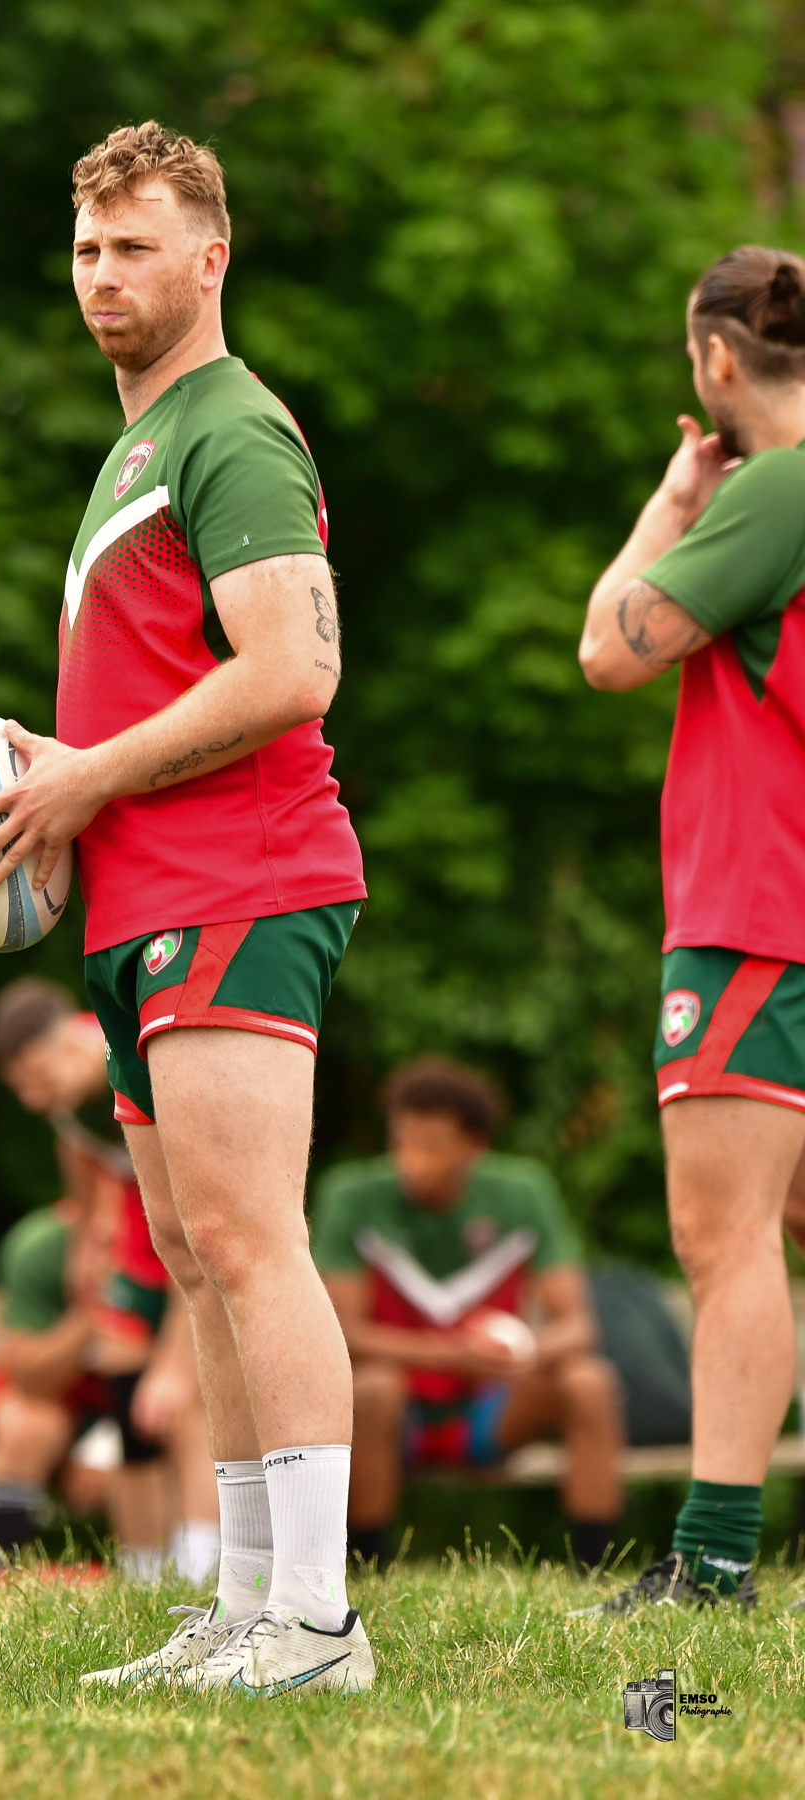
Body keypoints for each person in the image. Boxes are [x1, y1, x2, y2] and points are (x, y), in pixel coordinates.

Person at [0, 121, 372, 1694]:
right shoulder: (140, 441)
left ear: (211, 256)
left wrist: (89, 773)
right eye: (88, 249)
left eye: (135, 246)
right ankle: (249, 1609)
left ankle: (317, 1623)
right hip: (142, 899)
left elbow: (294, 671)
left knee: (255, 1243)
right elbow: (175, 679)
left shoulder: (232, 431)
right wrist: (68, 773)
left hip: (243, 879)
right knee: (194, 1252)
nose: (103, 275)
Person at [578, 244, 805, 1610]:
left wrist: (671, 500)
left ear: (715, 362)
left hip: (756, 908)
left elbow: (610, 647)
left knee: (726, 1242)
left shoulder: (776, 486)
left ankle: (714, 1560)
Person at [312, 1059, 623, 1570]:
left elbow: (578, 1327)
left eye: (431, 1147)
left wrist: (518, 1350)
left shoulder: (523, 1192)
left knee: (588, 1382)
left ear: (473, 1146)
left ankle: (597, 1570)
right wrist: (448, 1355)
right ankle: (366, 1574)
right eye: (401, 1144)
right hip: (396, 1413)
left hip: (490, 1406)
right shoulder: (352, 1195)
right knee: (371, 1389)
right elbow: (341, 1335)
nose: (411, 1161)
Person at [0, 977, 219, 1582]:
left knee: (183, 1399)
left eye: (36, 1079)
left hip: (200, 1214)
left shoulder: (136, 1063)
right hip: (140, 1222)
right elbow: (87, 1173)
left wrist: (172, 1362)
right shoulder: (65, 1102)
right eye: (19, 1087)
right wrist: (89, 1243)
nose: (32, 1099)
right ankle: (141, 1571)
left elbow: (199, 1229)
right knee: (125, 1391)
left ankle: (205, 1566)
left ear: (75, 1045)